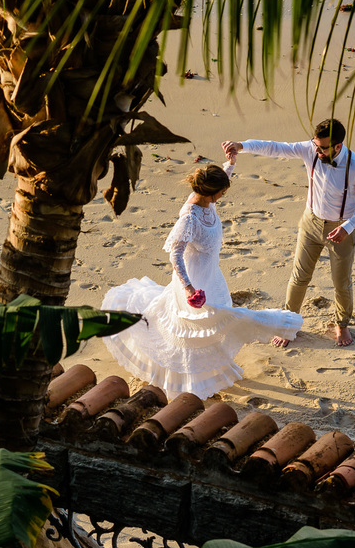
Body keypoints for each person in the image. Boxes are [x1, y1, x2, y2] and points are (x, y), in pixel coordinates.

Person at [101, 163, 302, 400]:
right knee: (194, 329)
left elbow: (219, 180)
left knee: (214, 323)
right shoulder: (190, 219)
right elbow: (175, 254)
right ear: (209, 192)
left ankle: (212, 367)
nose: (223, 195)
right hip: (194, 280)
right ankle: (189, 379)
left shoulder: (208, 201)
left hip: (211, 275)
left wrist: (231, 163)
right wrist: (188, 289)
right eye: (221, 192)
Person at [222, 118, 355, 347]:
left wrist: (348, 226)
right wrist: (242, 145)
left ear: (337, 146)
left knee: (341, 282)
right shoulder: (310, 150)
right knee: (299, 277)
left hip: (342, 229)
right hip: (310, 223)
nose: (317, 150)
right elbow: (276, 148)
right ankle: (288, 325)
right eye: (315, 145)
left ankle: (342, 324)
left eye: (322, 148)